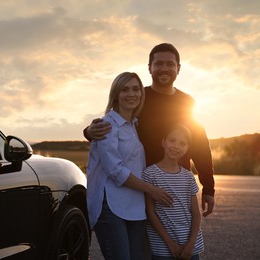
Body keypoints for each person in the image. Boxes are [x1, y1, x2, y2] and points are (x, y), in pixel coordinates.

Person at [84, 43, 215, 217]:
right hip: (142, 183)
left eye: (170, 64)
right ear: (149, 68)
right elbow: (113, 124)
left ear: (179, 68)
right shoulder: (139, 98)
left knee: (177, 234)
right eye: (159, 63)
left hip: (176, 182)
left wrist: (208, 187)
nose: (164, 68)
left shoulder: (187, 103)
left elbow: (200, 146)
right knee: (146, 240)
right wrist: (89, 131)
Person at [87, 72, 173, 259]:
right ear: (116, 94)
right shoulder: (107, 125)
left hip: (134, 205)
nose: (131, 94)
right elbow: (116, 171)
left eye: (136, 89)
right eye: (124, 89)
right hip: (110, 205)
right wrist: (152, 190)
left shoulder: (134, 124)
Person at [142, 123, 204, 260]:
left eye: (183, 143)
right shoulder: (150, 174)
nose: (176, 146)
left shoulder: (188, 176)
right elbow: (150, 212)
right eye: (172, 140)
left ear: (188, 148)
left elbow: (196, 214)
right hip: (162, 247)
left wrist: (190, 245)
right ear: (163, 142)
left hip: (190, 247)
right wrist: (170, 243)